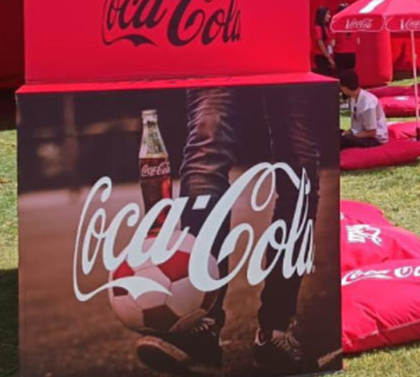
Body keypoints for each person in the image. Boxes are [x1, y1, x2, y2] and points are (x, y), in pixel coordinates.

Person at [135, 84, 322, 372]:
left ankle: (275, 327)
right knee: (208, 148)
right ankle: (201, 321)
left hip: (282, 42)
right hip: (226, 43)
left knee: (295, 161)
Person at [339, 70, 387, 149]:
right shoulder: (352, 98)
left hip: (374, 138)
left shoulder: (368, 103)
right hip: (359, 132)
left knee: (344, 140)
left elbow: (372, 132)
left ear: (345, 88)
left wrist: (352, 135)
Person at [331, 2, 357, 72]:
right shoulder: (354, 24)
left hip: (340, 53)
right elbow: (358, 41)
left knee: (341, 74)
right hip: (352, 53)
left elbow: (333, 43)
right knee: (350, 73)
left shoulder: (335, 24)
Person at [311, 7, 335, 76]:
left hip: (327, 55)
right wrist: (329, 58)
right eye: (328, 14)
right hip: (321, 57)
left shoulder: (326, 27)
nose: (329, 16)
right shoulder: (317, 28)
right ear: (322, 15)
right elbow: (321, 44)